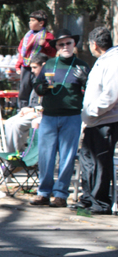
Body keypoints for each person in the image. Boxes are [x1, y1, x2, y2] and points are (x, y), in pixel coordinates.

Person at [29, 29, 89, 207]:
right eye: (61, 44)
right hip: (49, 115)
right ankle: (43, 192)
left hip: (71, 116)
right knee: (45, 155)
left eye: (68, 43)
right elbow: (37, 86)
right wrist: (43, 88)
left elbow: (92, 89)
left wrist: (86, 80)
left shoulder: (81, 66)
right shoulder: (49, 65)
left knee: (67, 156)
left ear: (74, 44)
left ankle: (61, 194)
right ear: (56, 47)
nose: (65, 47)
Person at [75, 26, 118, 214]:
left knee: (101, 161)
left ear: (94, 44)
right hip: (93, 121)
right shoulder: (103, 61)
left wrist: (92, 111)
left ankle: (100, 201)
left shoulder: (113, 61)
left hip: (105, 120)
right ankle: (88, 196)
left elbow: (111, 95)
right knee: (87, 159)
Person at [3, 55, 47, 153]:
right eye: (31, 68)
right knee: (9, 122)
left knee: (18, 125)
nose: (32, 71)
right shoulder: (36, 79)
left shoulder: (49, 80)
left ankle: (19, 154)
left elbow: (46, 104)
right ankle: (11, 156)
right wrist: (26, 108)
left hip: (42, 114)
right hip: (32, 111)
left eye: (35, 67)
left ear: (43, 66)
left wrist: (33, 110)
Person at [16, 11, 55, 109]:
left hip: (39, 68)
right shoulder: (27, 36)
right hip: (26, 66)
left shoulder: (48, 36)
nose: (30, 22)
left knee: (37, 87)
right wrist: (18, 64)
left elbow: (53, 52)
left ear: (41, 23)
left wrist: (45, 44)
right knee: (24, 88)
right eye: (30, 20)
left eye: (33, 20)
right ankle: (22, 109)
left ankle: (36, 107)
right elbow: (22, 51)